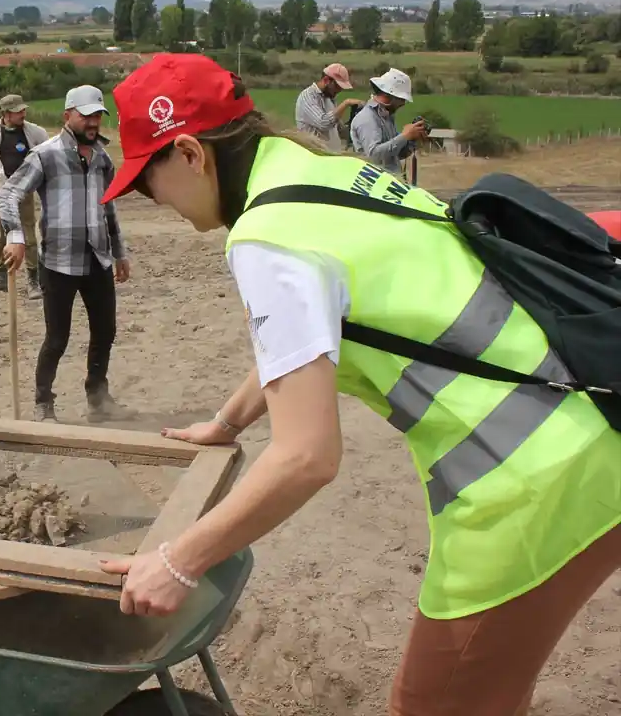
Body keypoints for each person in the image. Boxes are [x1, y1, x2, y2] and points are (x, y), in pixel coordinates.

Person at [94, 54, 619, 716]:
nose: (154, 201)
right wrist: (226, 425)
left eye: (147, 182)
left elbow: (307, 458)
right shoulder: (332, 177)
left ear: (192, 155)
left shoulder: (266, 237)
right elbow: (305, 342)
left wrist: (178, 561)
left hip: (535, 481)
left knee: (435, 706)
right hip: (596, 421)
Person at [0, 85, 131, 423]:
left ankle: (97, 398)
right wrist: (15, 236)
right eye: (86, 115)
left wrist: (119, 252)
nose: (92, 122)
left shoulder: (102, 158)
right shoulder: (46, 154)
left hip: (97, 259)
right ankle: (44, 402)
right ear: (68, 115)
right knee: (57, 337)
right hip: (58, 262)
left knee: (106, 331)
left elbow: (108, 207)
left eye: (97, 115)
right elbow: (9, 194)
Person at [0, 94, 48, 298]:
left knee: (28, 237)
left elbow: (49, 153)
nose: (23, 113)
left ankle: (33, 281)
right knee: (0, 237)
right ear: (5, 114)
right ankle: (1, 278)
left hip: (24, 192)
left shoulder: (34, 132)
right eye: (17, 111)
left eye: (23, 110)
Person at [350, 67, 427, 175]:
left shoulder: (387, 117)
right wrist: (404, 136)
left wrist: (412, 139)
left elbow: (395, 154)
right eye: (401, 99)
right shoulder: (366, 118)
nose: (403, 103)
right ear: (389, 95)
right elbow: (374, 157)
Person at [294, 62, 358, 152]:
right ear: (326, 80)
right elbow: (323, 123)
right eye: (337, 86)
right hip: (314, 155)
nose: (339, 90)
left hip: (330, 156)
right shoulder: (308, 96)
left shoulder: (329, 98)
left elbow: (338, 128)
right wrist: (346, 104)